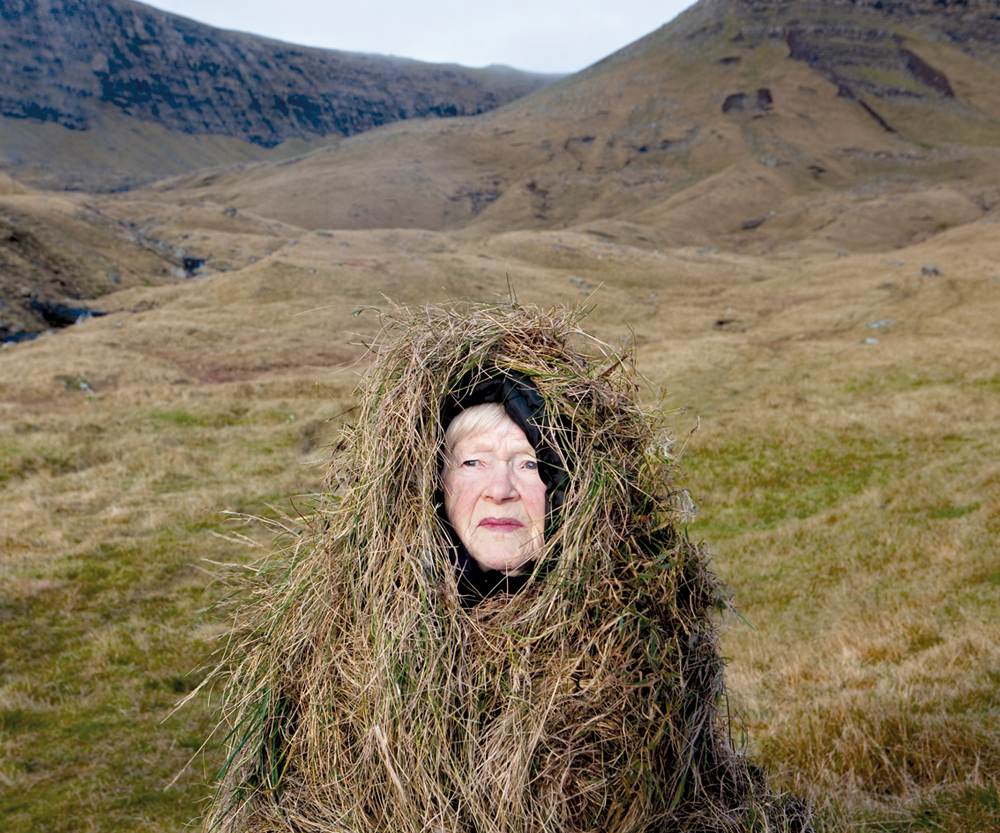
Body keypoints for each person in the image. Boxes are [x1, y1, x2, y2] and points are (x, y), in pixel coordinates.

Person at [205, 302, 808, 833]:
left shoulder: (642, 652)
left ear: (574, 490)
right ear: (430, 486)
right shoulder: (343, 654)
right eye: (471, 463)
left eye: (529, 463)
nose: (500, 489)